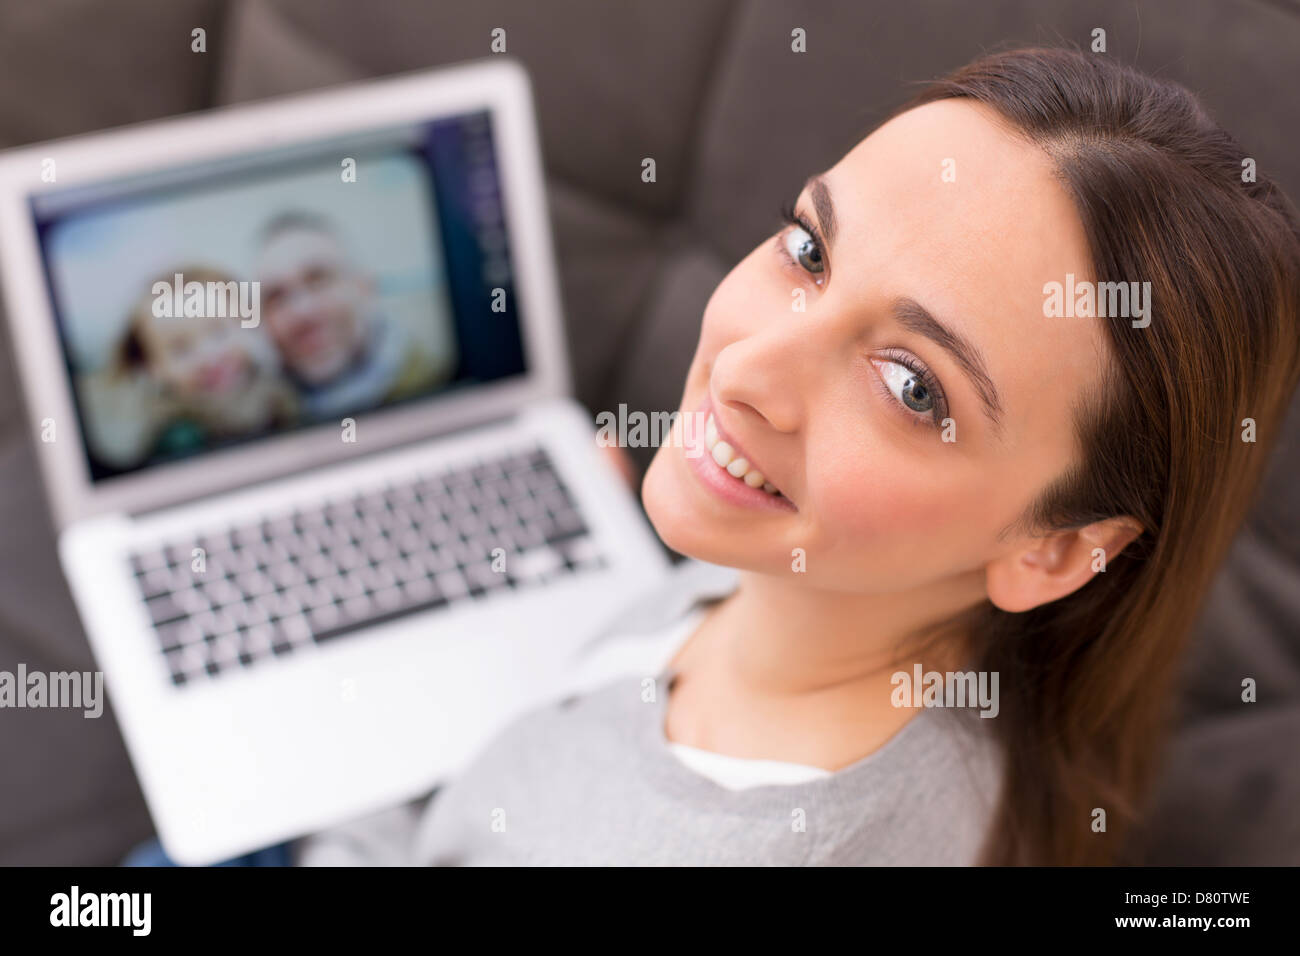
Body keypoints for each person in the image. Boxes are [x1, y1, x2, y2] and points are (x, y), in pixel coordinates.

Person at [125, 46, 1300, 866]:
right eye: (807, 248)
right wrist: (643, 570)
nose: (745, 370)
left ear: (1054, 550)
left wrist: (312, 780)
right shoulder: (859, 615)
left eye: (909, 385)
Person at [82, 266, 298, 470]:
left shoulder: (281, 391)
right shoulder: (173, 438)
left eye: (219, 332)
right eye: (180, 349)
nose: (209, 357)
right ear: (152, 369)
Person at [256, 211, 439, 420]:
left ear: (365, 288)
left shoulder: (443, 384)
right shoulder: (266, 420)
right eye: (276, 297)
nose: (302, 312)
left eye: (318, 280)